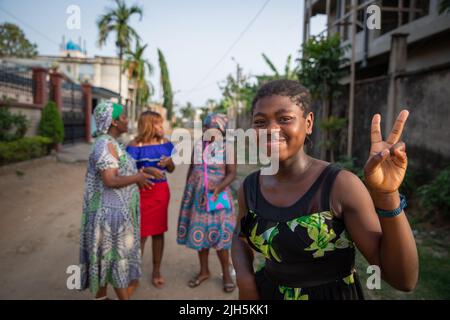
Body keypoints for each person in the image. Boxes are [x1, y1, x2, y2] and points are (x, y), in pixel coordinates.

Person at [231, 80, 419, 300]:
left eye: (284, 119)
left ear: (308, 122)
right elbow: (240, 236)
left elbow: (403, 280)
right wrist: (245, 281)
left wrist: (387, 196)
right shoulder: (251, 186)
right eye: (260, 122)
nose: (271, 130)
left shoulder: (340, 186)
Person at [79, 100, 154, 300]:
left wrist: (143, 172)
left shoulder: (114, 144)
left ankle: (102, 298)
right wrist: (137, 178)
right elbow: (110, 179)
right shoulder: (104, 145)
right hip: (109, 218)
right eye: (123, 117)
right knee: (115, 263)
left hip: (117, 216)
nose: (127, 120)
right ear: (113, 122)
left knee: (108, 262)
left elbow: (121, 171)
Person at [177, 113, 237, 293]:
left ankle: (226, 274)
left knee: (220, 236)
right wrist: (189, 192)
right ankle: (204, 271)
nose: (206, 131)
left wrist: (218, 189)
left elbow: (232, 173)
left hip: (217, 199)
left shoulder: (227, 148)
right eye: (204, 128)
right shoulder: (198, 146)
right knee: (200, 235)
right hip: (197, 199)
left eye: (210, 128)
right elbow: (191, 168)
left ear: (220, 130)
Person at [127, 111, 175, 289]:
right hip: (140, 193)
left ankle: (156, 270)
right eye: (157, 124)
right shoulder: (135, 145)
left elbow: (171, 170)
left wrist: (169, 162)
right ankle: (134, 275)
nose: (161, 127)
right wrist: (147, 171)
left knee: (158, 232)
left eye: (162, 124)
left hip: (160, 193)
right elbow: (127, 172)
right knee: (139, 235)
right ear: (148, 125)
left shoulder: (165, 143)